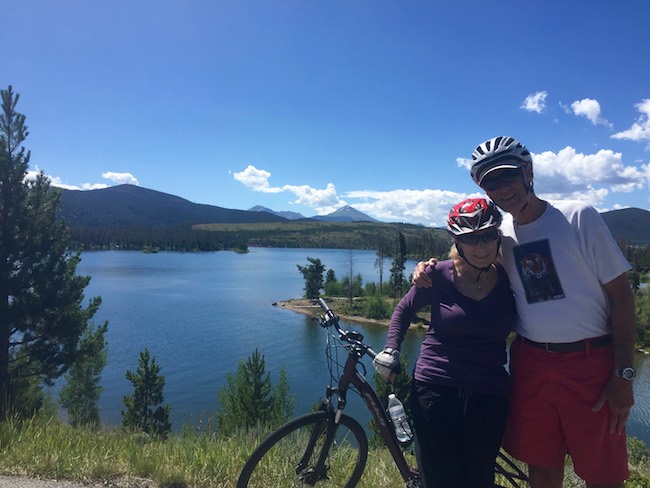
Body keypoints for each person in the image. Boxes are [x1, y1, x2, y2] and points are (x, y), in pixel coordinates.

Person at [413, 136, 636, 488]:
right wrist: (426, 269)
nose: (501, 188)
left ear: (527, 172)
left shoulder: (578, 217)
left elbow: (622, 298)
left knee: (603, 474)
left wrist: (624, 374)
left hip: (590, 362)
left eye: (507, 176)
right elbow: (465, 260)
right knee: (542, 468)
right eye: (490, 181)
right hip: (530, 362)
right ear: (480, 186)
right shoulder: (498, 234)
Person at [373, 197, 517, 488]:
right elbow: (403, 309)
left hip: (489, 392)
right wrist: (392, 347)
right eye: (471, 238)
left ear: (498, 237)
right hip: (436, 388)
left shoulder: (509, 279)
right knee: (437, 475)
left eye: (488, 236)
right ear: (457, 241)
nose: (481, 246)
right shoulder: (436, 276)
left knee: (478, 476)